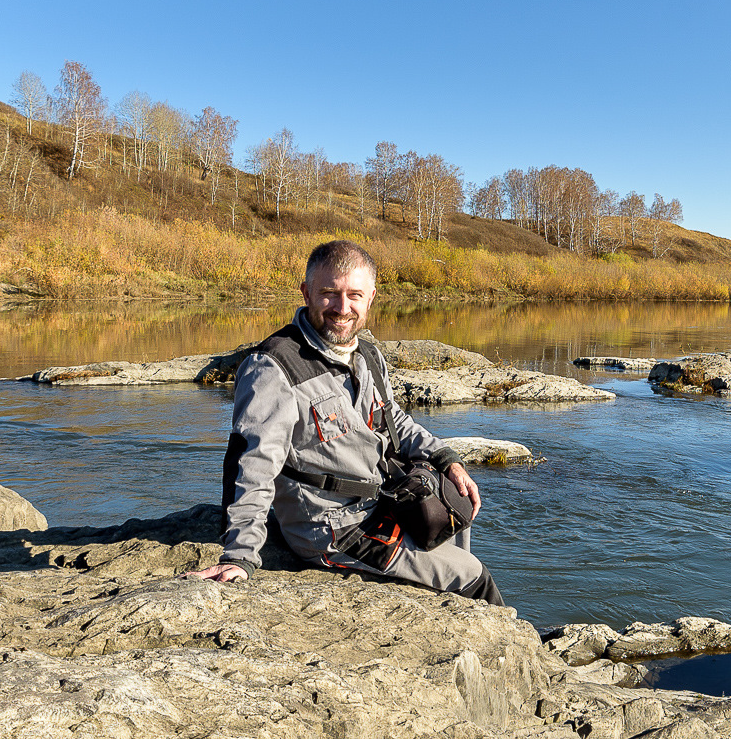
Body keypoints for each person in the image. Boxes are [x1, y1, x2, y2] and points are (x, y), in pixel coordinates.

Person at [185, 240, 504, 605]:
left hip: (384, 499)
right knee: (473, 578)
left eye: (354, 295)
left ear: (371, 297)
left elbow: (393, 418)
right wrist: (240, 555)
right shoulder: (274, 367)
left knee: (455, 512)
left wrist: (447, 459)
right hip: (333, 527)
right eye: (328, 293)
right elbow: (253, 464)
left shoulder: (366, 353)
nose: (342, 308)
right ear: (306, 292)